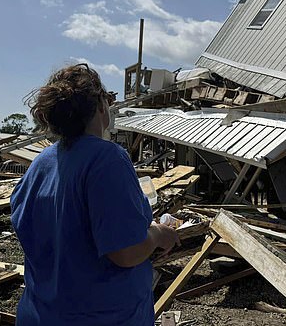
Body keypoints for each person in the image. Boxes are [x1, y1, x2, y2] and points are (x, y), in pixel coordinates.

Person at [10, 64, 180, 325]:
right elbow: (125, 252)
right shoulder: (107, 158)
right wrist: (157, 235)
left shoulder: (41, 164)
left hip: (41, 313)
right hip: (100, 315)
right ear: (100, 105)